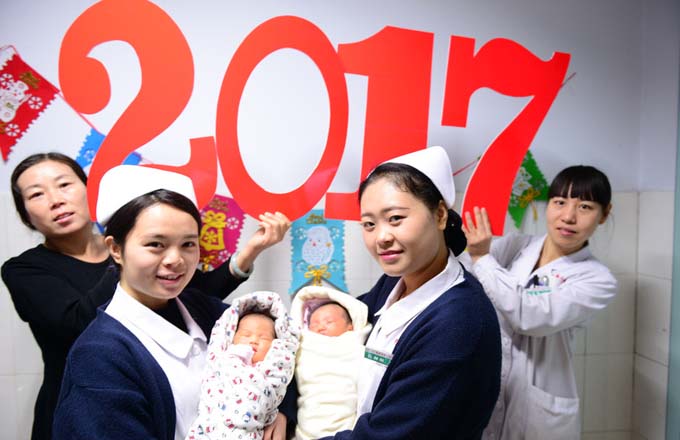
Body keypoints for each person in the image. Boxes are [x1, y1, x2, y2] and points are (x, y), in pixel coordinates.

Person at [0, 157, 288, 440]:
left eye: (188, 243)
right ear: (116, 249)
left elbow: (277, 351)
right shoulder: (96, 350)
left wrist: (276, 408)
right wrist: (126, 261)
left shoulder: (203, 309)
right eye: (155, 244)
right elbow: (73, 322)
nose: (56, 200)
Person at [319, 146, 501, 440]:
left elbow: (386, 436)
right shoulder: (392, 285)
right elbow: (326, 332)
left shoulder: (459, 321)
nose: (381, 237)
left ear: (439, 215)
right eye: (369, 224)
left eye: (395, 218)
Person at [460, 165, 617, 439]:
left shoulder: (597, 279)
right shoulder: (517, 245)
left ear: (604, 214)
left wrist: (482, 257)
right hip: (489, 386)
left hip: (537, 408)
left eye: (585, 207)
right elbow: (462, 274)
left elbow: (529, 317)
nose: (568, 216)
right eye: (559, 202)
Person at [187, 291, 299, 440]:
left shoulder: (273, 370)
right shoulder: (224, 355)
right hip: (210, 427)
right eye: (246, 335)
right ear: (231, 337)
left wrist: (283, 412)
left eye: (264, 338)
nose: (254, 340)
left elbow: (285, 367)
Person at [290, 285, 372, 440]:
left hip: (346, 420)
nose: (321, 327)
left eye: (329, 321)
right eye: (314, 323)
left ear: (350, 326)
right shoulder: (305, 346)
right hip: (310, 414)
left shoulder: (357, 348)